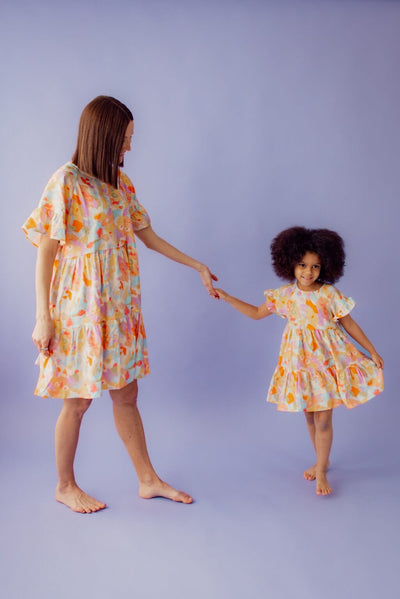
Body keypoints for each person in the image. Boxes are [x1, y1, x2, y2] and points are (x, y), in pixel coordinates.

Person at [22, 95, 218, 513]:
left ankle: (148, 480)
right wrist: (43, 317)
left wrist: (197, 265)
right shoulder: (66, 181)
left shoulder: (120, 184)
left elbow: (149, 237)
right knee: (77, 400)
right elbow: (46, 253)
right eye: (126, 137)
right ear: (104, 135)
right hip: (80, 309)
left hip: (119, 308)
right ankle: (65, 485)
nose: (130, 145)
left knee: (127, 394)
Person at [215, 226, 384, 496]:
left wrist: (372, 350)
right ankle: (321, 459)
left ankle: (321, 471)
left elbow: (349, 324)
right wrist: (228, 298)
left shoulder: (328, 294)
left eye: (315, 266)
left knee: (324, 419)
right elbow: (256, 312)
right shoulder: (286, 295)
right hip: (300, 365)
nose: (308, 272)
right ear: (290, 263)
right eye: (302, 265)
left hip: (327, 364)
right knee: (310, 416)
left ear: (325, 266)